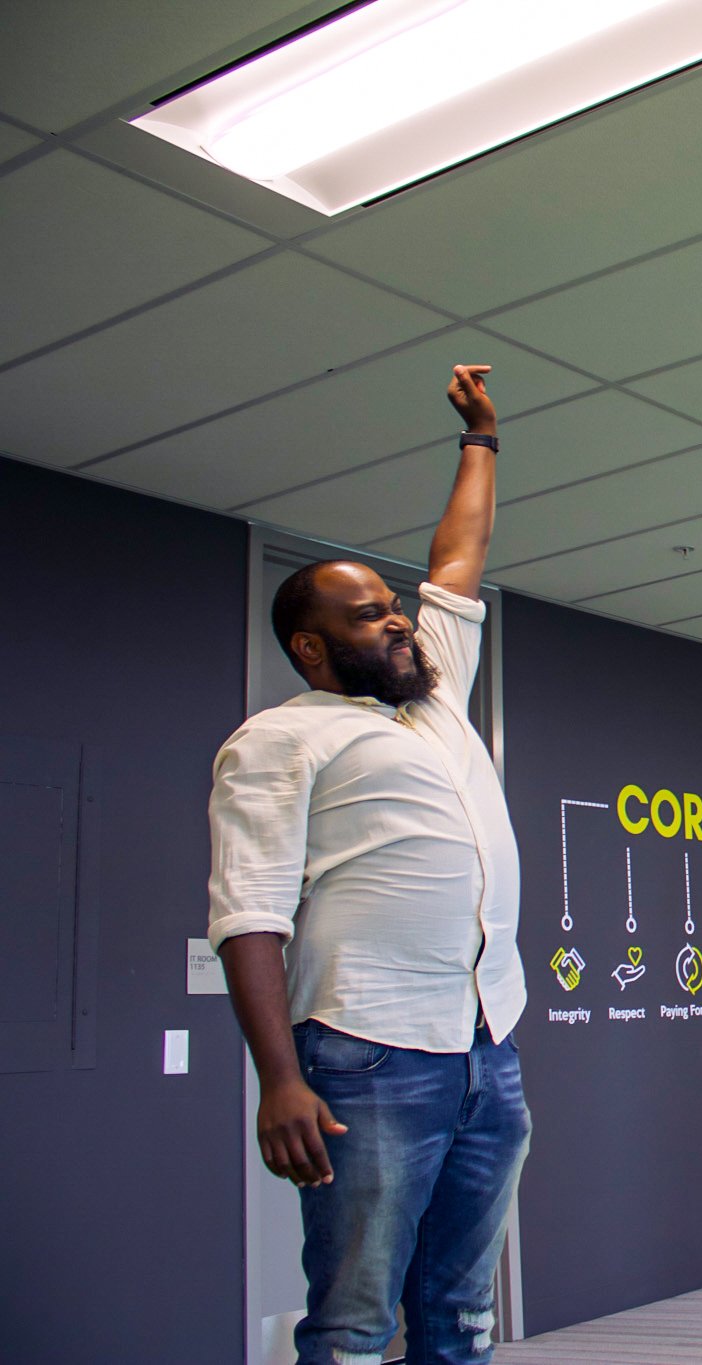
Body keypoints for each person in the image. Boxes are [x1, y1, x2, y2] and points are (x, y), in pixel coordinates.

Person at [208, 366, 530, 1365]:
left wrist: (480, 438)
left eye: (392, 606)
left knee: (462, 1315)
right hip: (367, 1053)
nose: (394, 620)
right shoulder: (276, 739)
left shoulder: (433, 698)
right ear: (311, 646)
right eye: (364, 615)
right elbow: (248, 917)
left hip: (487, 1044)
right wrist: (279, 1080)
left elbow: (458, 559)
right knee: (352, 1322)